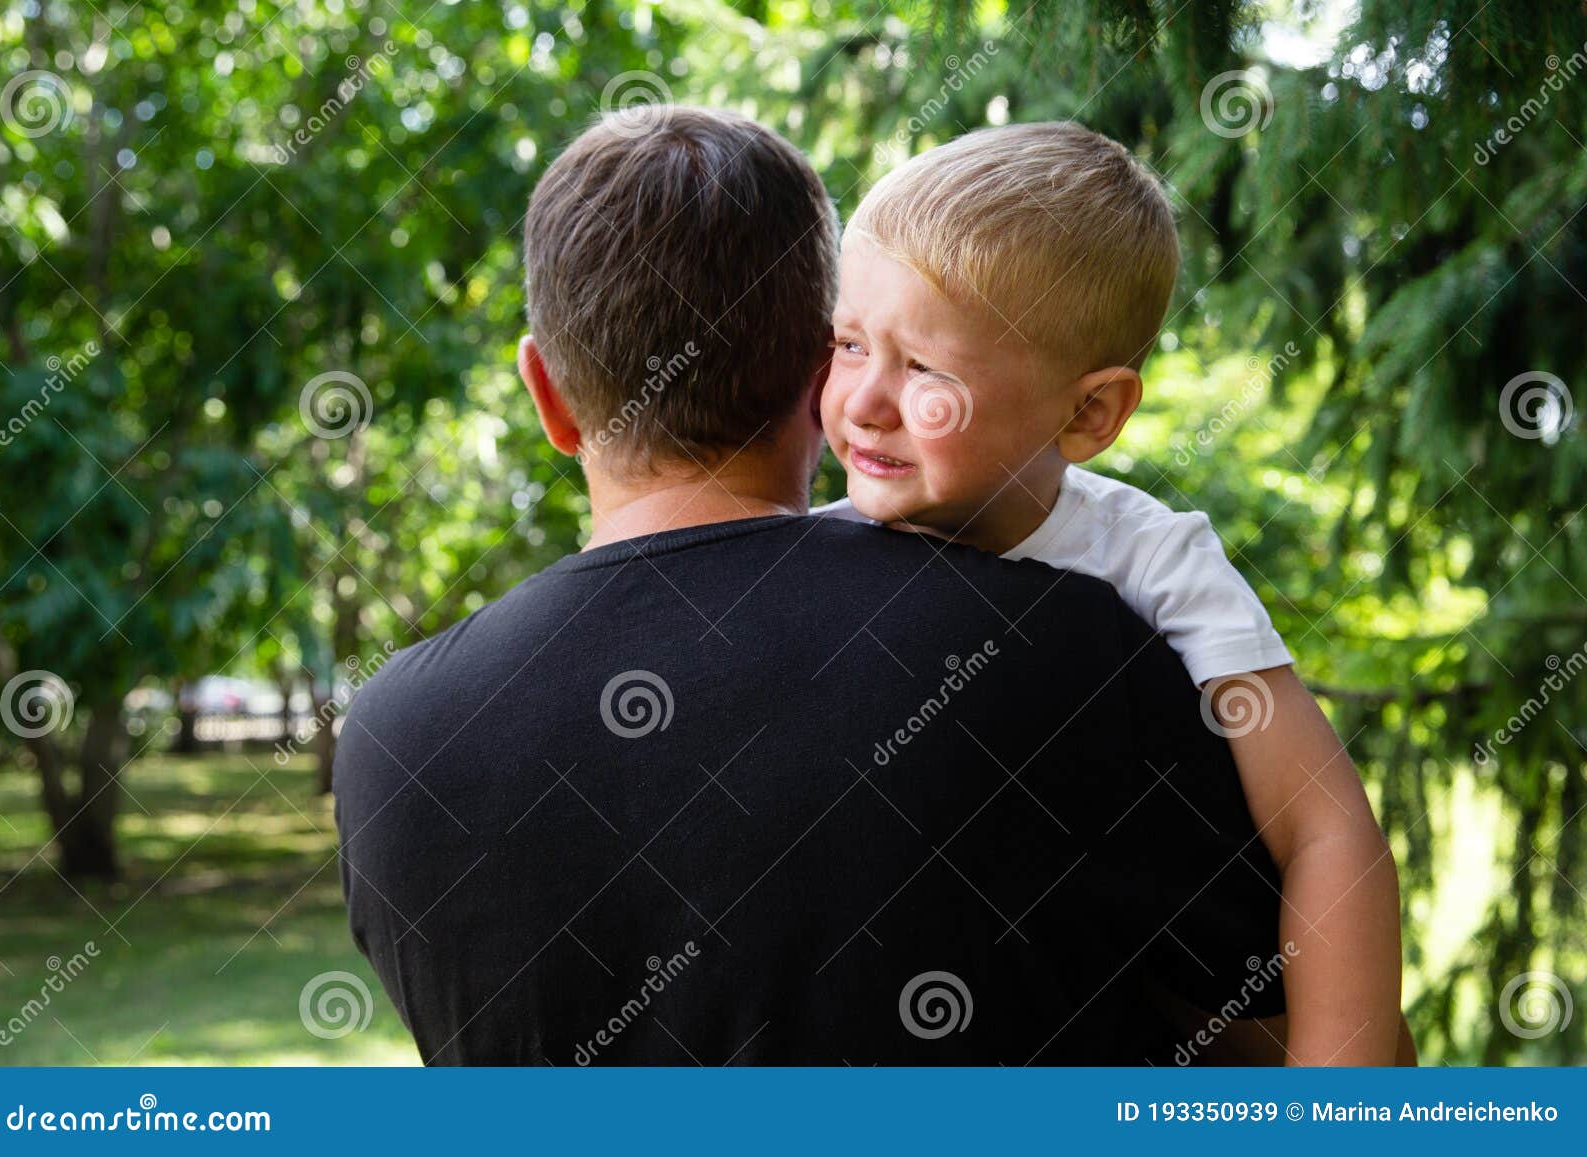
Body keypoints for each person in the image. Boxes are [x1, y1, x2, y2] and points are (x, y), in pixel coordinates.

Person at [333, 106, 1291, 1066]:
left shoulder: (393, 746)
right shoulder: (1071, 648)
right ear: (818, 366)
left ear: (546, 395)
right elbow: (1273, 1046)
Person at [815, 121, 1404, 1064]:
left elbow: (1325, 827)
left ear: (1089, 412)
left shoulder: (1153, 563)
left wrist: (1343, 1089)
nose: (864, 402)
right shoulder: (809, 557)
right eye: (848, 344)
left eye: (926, 368)